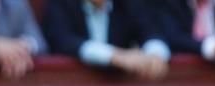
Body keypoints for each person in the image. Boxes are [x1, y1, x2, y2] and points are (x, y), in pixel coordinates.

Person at [42, 0, 172, 79]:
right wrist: (113, 55)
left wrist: (156, 54)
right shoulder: (61, 3)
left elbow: (152, 31)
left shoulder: (128, 3)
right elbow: (62, 40)